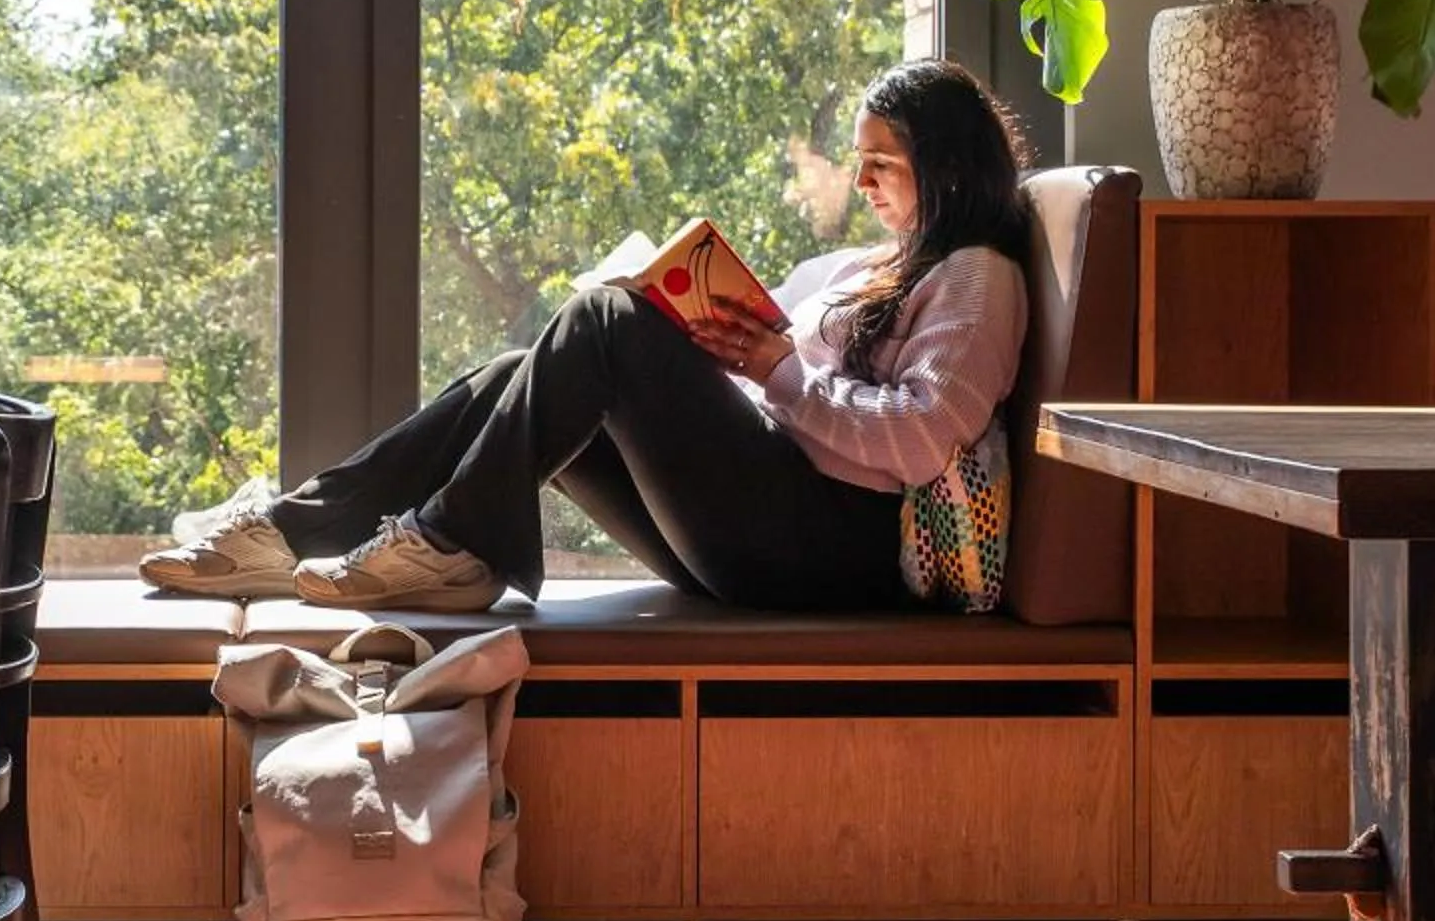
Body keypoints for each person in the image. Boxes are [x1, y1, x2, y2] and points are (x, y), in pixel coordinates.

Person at [139, 58, 1033, 613]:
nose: (865, 181)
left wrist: (776, 367)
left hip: (831, 552)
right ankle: (291, 533)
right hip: (772, 527)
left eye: (884, 164)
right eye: (860, 161)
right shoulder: (861, 267)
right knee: (518, 372)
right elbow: (782, 378)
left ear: (948, 168)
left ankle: (449, 544)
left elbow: (921, 438)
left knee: (606, 323)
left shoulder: (977, 277)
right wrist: (731, 345)